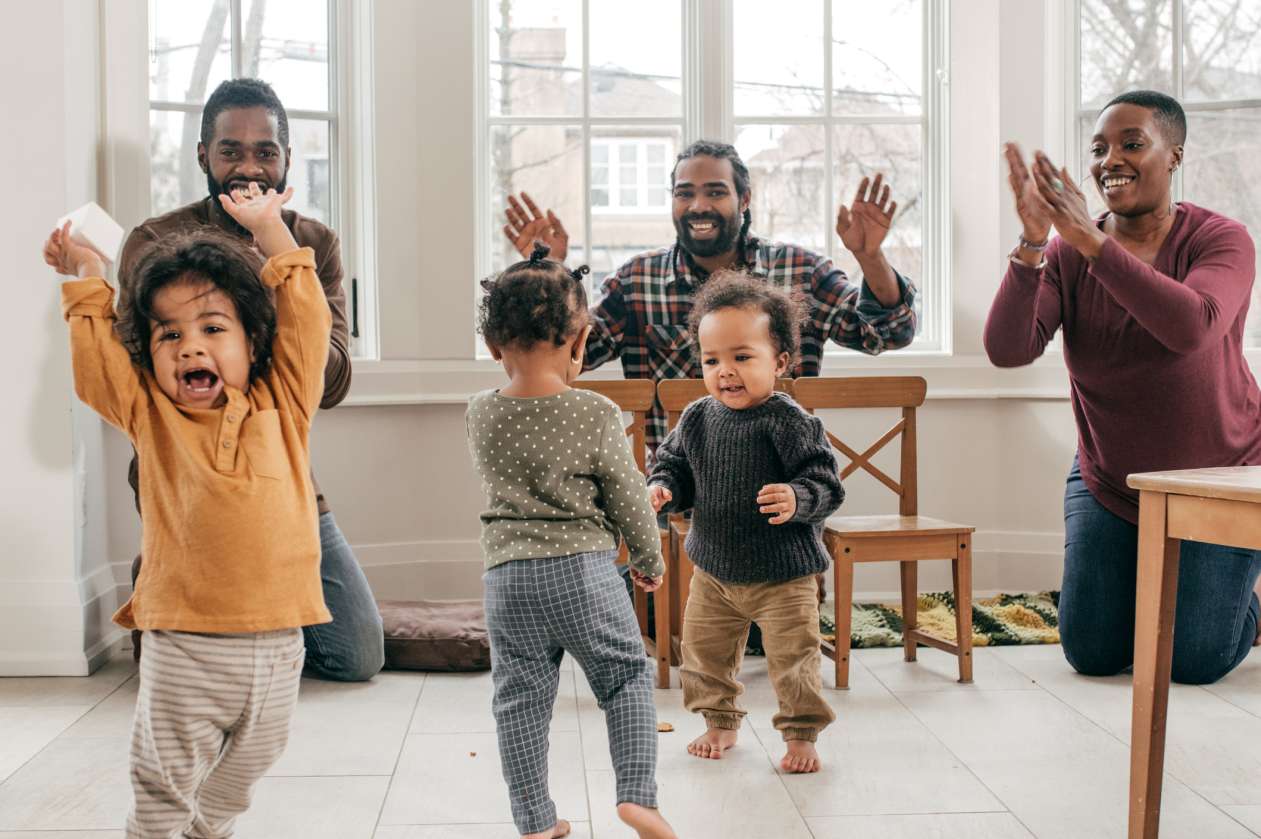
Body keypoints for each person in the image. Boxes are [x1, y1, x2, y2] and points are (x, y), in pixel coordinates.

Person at [503, 139, 917, 639]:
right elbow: (563, 360)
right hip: (677, 502)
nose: (698, 205)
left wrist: (871, 259)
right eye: (685, 193)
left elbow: (885, 333)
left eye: (715, 191)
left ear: (745, 199)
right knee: (647, 625)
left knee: (767, 637)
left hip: (775, 516)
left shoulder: (799, 272)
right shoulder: (638, 280)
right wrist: (548, 278)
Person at [45, 183, 331, 837]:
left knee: (250, 766)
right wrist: (89, 278)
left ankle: (208, 828)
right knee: (162, 785)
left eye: (211, 328)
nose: (189, 346)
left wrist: (272, 232)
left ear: (253, 343)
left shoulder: (283, 403)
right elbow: (96, 369)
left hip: (280, 642)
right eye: (168, 333)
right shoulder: (151, 414)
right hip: (185, 646)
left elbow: (308, 320)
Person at [984, 89, 1261, 684]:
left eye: (1133, 144)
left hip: (1218, 479)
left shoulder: (1222, 239)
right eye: (1100, 147)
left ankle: (1242, 599)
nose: (1111, 158)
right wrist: (1035, 244)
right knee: (1093, 653)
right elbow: (1009, 350)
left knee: (1194, 661)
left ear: (1175, 156)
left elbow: (1191, 327)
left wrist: (1090, 240)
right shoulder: (1064, 254)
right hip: (1110, 478)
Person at [118, 78, 383, 681]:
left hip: (281, 476)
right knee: (202, 671)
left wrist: (278, 267)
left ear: (287, 157)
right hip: (180, 477)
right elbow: (138, 373)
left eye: (266, 151)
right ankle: (168, 574)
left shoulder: (311, 243)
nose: (249, 166)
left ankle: (246, 608)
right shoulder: (155, 241)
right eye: (230, 150)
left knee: (357, 657)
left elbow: (332, 383)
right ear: (203, 156)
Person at [467, 243, 677, 839]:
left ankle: (535, 821)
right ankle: (637, 797)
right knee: (624, 678)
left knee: (520, 700)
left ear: (493, 347)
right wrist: (647, 557)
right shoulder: (595, 412)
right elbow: (629, 495)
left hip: (506, 580)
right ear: (582, 341)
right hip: (581, 572)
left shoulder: (479, 413)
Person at [648, 272, 844, 774]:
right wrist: (665, 488)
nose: (725, 372)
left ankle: (801, 734)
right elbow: (672, 465)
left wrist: (798, 497)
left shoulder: (789, 420)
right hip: (714, 570)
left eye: (742, 357)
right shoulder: (696, 418)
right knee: (703, 653)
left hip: (784, 574)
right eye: (712, 360)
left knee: (794, 660)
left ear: (779, 362)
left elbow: (827, 484)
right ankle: (720, 721)